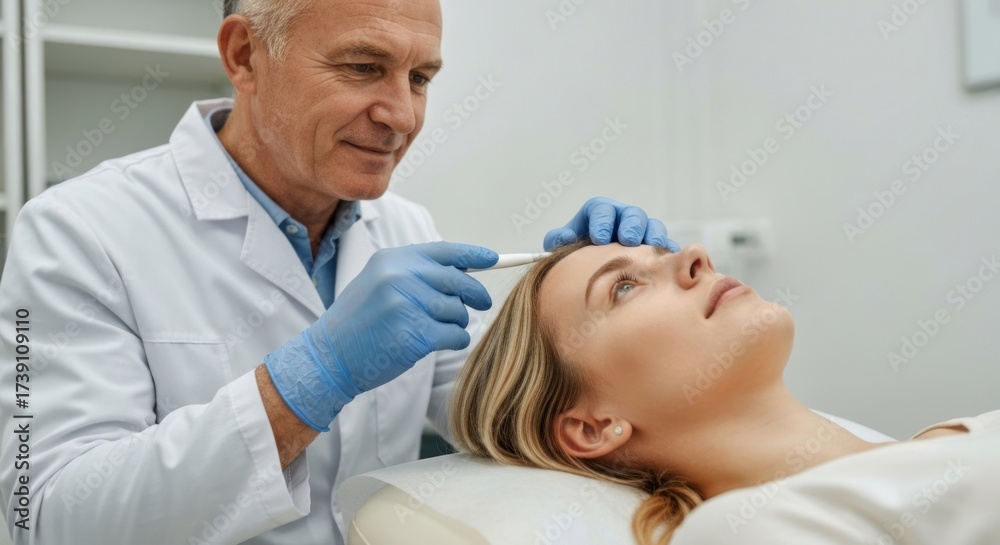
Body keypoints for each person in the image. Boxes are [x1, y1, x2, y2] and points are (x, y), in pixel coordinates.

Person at [0, 1, 680, 544]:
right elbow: (48, 516)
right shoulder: (76, 230)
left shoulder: (404, 226)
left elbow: (501, 415)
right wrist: (307, 380)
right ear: (245, 55)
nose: (403, 115)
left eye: (420, 78)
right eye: (361, 67)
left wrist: (581, 310)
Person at [451, 241, 1000, 545]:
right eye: (623, 287)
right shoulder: (748, 531)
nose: (695, 255)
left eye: (656, 257)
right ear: (593, 426)